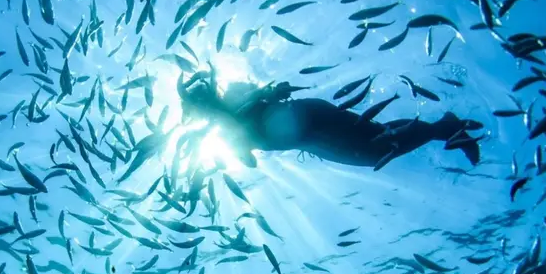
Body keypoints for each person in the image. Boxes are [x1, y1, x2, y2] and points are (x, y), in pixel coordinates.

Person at [176, 66, 484, 170]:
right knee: (375, 138)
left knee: (373, 151)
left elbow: (260, 105)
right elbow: (249, 153)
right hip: (311, 125)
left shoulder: (228, 114)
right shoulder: (227, 119)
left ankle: (446, 127)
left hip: (311, 125)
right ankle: (445, 127)